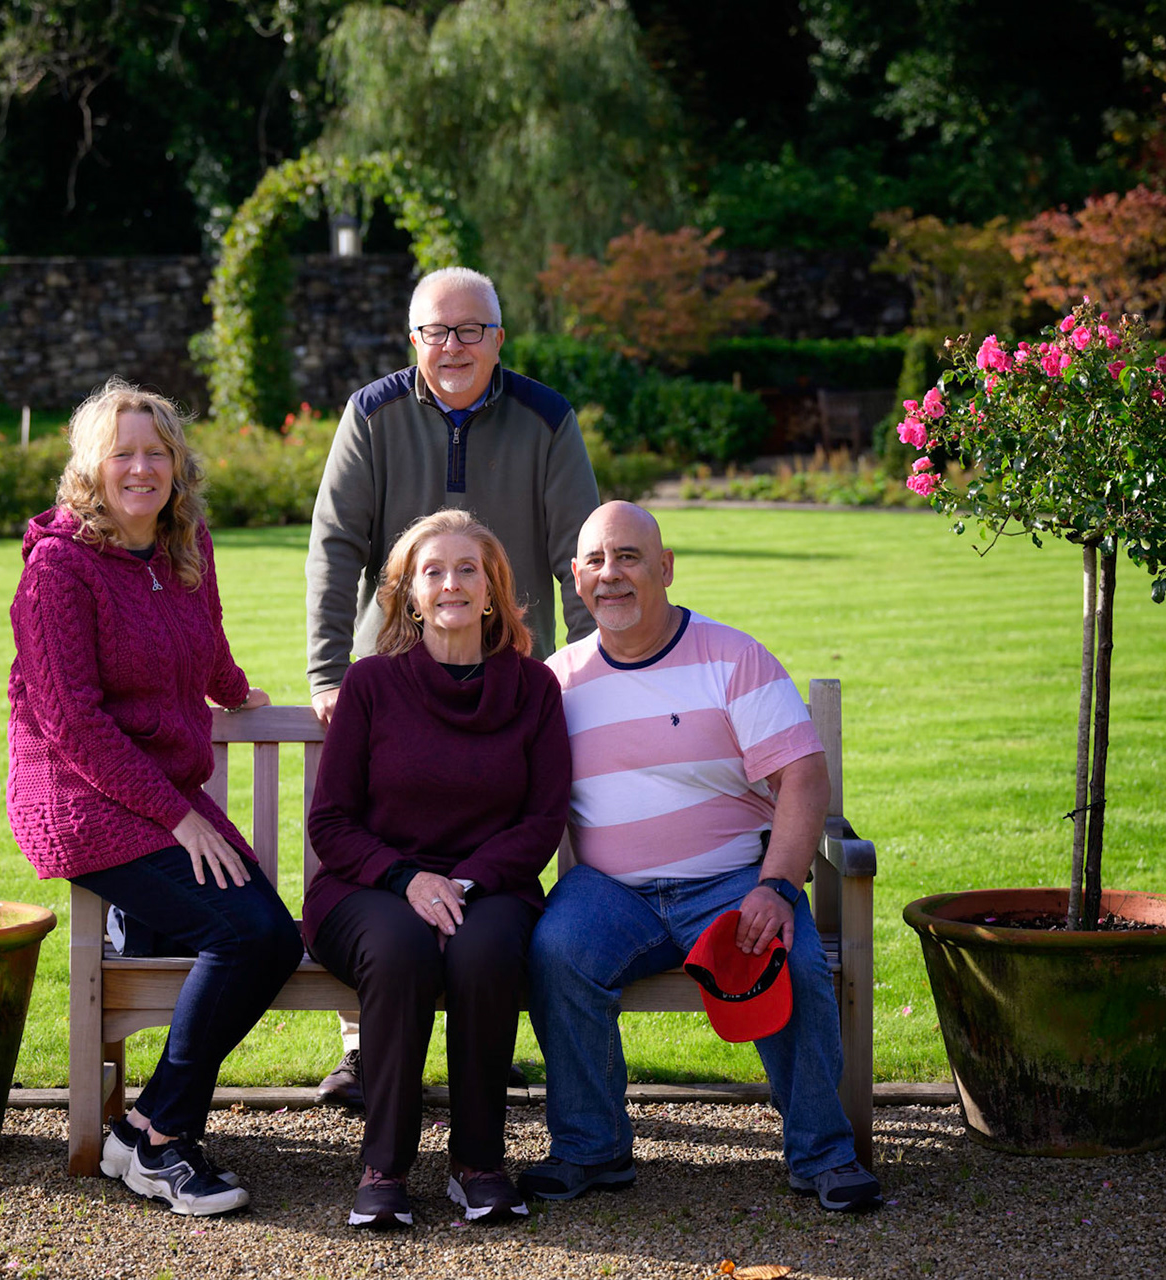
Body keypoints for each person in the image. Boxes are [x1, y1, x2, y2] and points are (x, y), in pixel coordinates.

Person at [522, 501, 884, 1214]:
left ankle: (823, 1154)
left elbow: (803, 778)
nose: (611, 575)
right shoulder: (556, 681)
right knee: (555, 951)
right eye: (595, 561)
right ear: (575, 578)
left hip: (729, 882)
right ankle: (593, 1150)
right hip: (610, 892)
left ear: (665, 567)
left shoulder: (731, 657)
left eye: (628, 557)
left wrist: (777, 887)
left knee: (796, 961)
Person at [6, 379, 304, 1217]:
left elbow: (204, 649)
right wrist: (177, 816)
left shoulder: (185, 544)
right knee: (250, 934)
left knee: (266, 935)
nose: (141, 468)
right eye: (122, 453)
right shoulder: (57, 573)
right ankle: (160, 1138)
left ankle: (147, 1128)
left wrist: (244, 693)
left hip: (158, 793)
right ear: (91, 469)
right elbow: (75, 726)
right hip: (78, 798)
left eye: (156, 452)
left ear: (178, 464)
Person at [305, 265, 600, 1106]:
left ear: (499, 338)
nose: (454, 346)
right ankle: (366, 1047)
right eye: (437, 331)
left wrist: (591, 669)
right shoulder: (372, 412)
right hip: (388, 669)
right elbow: (334, 546)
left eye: (472, 330)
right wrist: (330, 671)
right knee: (379, 835)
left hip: (504, 671)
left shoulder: (545, 418)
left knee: (491, 837)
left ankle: (485, 1026)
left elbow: (577, 555)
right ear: (414, 340)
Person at [305, 509, 572, 1229]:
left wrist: (465, 882)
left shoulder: (533, 689)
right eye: (432, 571)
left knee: (484, 952)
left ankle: (477, 1161)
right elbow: (330, 823)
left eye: (466, 570)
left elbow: (543, 821)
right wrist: (409, 880)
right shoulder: (370, 686)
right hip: (369, 885)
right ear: (409, 594)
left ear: (491, 591)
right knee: (400, 949)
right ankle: (384, 1166)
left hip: (490, 886)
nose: (450, 583)